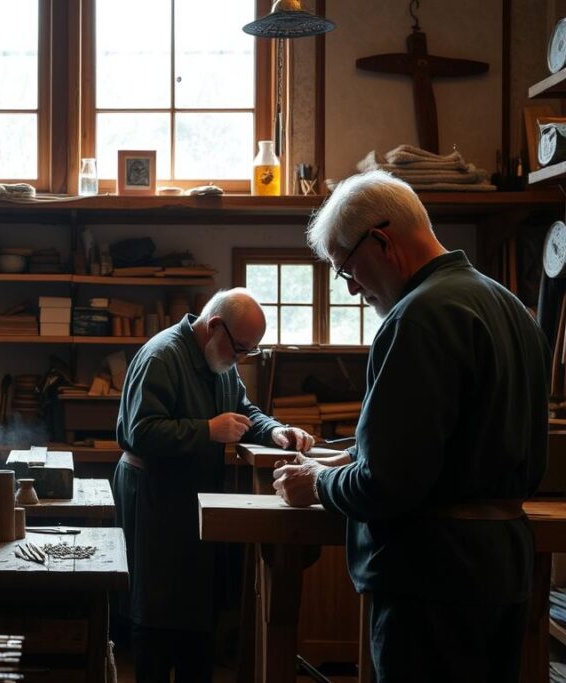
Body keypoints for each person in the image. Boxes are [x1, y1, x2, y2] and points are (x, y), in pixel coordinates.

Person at [273, 170, 549, 681]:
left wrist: (317, 481)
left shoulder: (417, 316)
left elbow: (388, 484)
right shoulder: (510, 308)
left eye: (346, 270)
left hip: (435, 582)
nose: (352, 289)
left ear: (380, 241)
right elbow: (465, 446)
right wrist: (354, 455)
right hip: (504, 570)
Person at [114, 288, 314, 682]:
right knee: (154, 610)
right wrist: (206, 430)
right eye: (240, 348)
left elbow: (243, 410)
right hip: (154, 495)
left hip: (192, 494)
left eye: (248, 351)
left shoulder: (219, 357)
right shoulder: (162, 355)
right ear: (215, 326)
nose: (241, 357)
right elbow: (138, 433)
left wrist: (275, 431)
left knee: (195, 608)